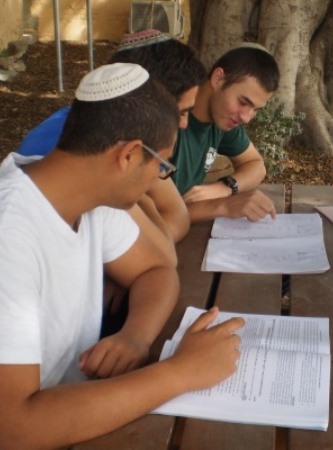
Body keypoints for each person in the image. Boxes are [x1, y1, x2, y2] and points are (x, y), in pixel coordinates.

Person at [0, 63, 244, 448]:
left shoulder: (87, 197)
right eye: (161, 165)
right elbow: (13, 427)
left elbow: (157, 269)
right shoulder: (10, 234)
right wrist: (180, 373)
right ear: (129, 155)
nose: (158, 179)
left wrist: (135, 336)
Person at [17, 29, 207, 249]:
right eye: (181, 112)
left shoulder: (127, 136)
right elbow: (161, 238)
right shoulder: (77, 150)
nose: (184, 124)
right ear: (152, 102)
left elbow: (177, 215)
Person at [171, 43, 280, 223]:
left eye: (255, 109)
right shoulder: (171, 121)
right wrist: (224, 206)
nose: (246, 118)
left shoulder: (221, 119)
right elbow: (153, 214)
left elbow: (256, 165)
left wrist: (225, 188)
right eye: (243, 102)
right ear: (218, 78)